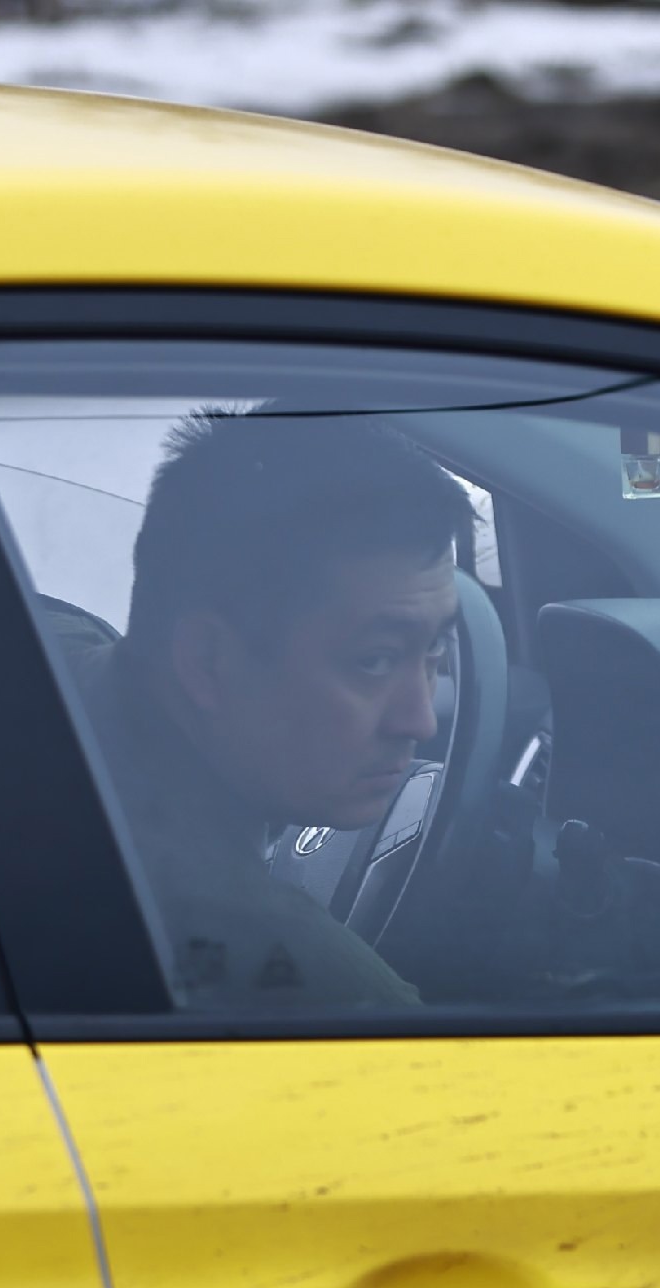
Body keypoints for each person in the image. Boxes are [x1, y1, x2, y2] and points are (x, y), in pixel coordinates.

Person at [68, 405, 475, 1007]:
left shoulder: (47, 637)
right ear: (208, 660)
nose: (420, 719)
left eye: (435, 646)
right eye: (374, 660)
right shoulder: (313, 986)